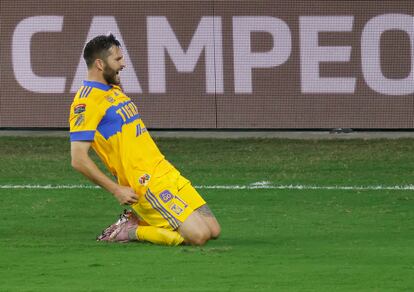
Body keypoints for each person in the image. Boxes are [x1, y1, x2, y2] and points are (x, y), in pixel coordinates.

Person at [69, 34, 220, 246]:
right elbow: (78, 159)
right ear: (100, 64)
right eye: (118, 60)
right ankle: (131, 230)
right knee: (198, 236)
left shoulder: (113, 89)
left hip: (164, 169)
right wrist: (116, 189)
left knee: (213, 230)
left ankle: (139, 219)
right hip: (144, 182)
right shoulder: (85, 102)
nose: (124, 64)